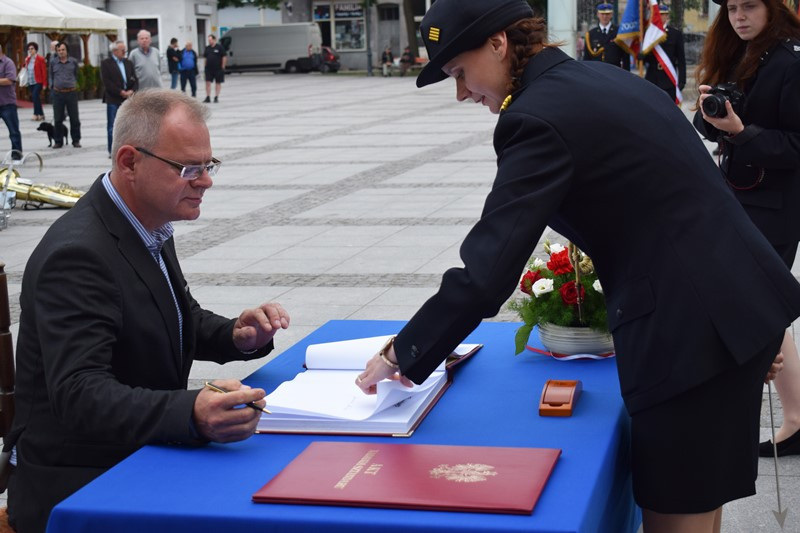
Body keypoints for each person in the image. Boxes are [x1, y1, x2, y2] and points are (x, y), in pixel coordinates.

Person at [353, 0, 800, 531]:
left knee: (678, 515)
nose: (463, 92)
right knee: (700, 507)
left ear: (499, 44)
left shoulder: (535, 117)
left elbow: (487, 272)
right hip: (728, 312)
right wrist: (754, 320)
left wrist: (403, 353)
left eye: (458, 72)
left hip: (691, 336)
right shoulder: (603, 79)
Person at [4, 88, 291, 533]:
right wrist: (191, 412)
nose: (206, 181)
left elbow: (176, 315)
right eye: (189, 169)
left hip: (137, 456)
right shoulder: (79, 254)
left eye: (208, 165)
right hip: (80, 486)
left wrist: (235, 334)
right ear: (129, 162)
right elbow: (80, 394)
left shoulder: (147, 220)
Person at [693, 0, 800, 459]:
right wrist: (710, 113)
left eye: (749, 5)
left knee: (756, 306)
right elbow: (712, 125)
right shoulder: (739, 52)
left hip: (776, 205)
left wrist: (740, 131)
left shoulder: (792, 60)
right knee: (764, 304)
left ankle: (779, 418)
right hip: (737, 196)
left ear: (773, 6)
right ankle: (797, 417)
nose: (738, 16)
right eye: (732, 7)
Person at [100, 40, 138, 156]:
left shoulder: (128, 62)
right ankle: (113, 151)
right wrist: (120, 92)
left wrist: (132, 90)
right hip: (113, 98)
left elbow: (135, 79)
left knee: (129, 126)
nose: (125, 52)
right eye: (123, 50)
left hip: (128, 98)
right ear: (115, 51)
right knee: (112, 126)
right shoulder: (106, 63)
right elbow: (107, 82)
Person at [642, 4, 685, 103]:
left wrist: (682, 80)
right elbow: (646, 60)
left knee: (668, 107)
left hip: (668, 78)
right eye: (658, 15)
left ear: (667, 16)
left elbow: (681, 60)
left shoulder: (675, 34)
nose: (660, 17)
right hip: (652, 78)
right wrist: (642, 56)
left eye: (663, 15)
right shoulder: (648, 34)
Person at [48, 41, 81, 148]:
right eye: (59, 50)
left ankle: (76, 140)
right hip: (58, 93)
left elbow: (77, 74)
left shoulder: (73, 62)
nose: (61, 52)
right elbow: (50, 75)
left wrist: (73, 84)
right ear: (56, 52)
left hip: (71, 92)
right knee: (58, 119)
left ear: (67, 51)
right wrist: (52, 86)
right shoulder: (53, 62)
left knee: (74, 118)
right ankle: (58, 140)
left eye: (63, 50)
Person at [583, 3, 630, 69]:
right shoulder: (591, 34)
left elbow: (625, 57)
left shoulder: (619, 32)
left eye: (607, 14)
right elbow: (586, 58)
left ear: (611, 15)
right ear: (598, 15)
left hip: (614, 71)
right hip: (596, 72)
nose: (605, 17)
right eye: (602, 14)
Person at [0, 44, 22, 159]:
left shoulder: (8, 63)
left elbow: (10, 80)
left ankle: (17, 155)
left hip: (7, 103)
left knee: (13, 131)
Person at [23, 42, 47, 121]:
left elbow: (44, 72)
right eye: (29, 49)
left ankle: (35, 114)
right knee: (36, 98)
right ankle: (41, 114)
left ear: (36, 49)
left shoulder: (40, 59)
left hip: (38, 81)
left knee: (35, 96)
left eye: (32, 49)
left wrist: (44, 84)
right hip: (30, 81)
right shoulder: (28, 59)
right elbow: (25, 69)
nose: (30, 50)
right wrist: (25, 61)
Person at [203, 34, 226, 103]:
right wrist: (205, 66)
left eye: (210, 40)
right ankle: (208, 97)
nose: (209, 41)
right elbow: (205, 58)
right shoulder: (207, 48)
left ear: (214, 39)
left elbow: (224, 57)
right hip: (209, 69)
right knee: (207, 82)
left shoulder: (220, 47)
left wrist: (223, 66)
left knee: (218, 83)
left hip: (218, 69)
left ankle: (216, 96)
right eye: (208, 40)